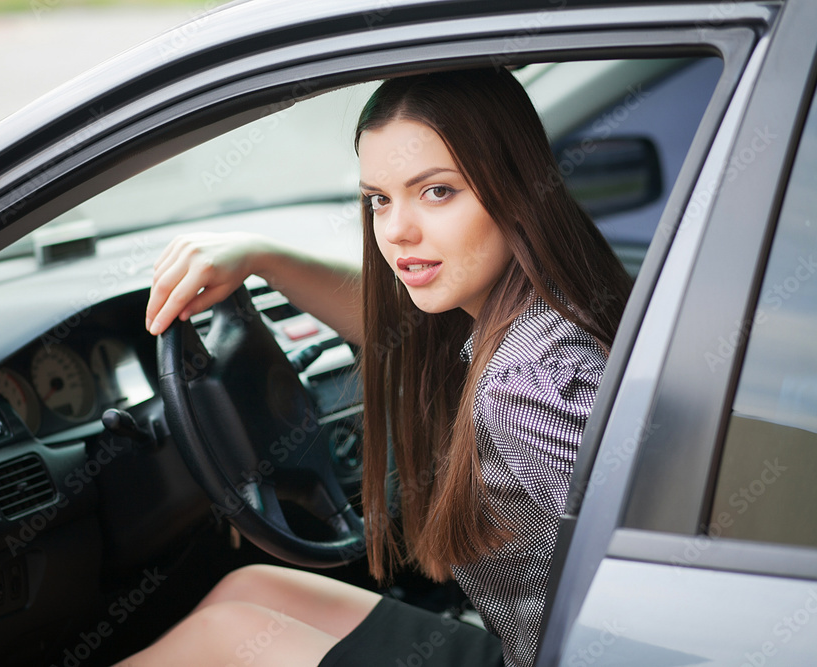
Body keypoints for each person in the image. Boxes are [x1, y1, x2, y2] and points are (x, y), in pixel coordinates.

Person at [131, 67, 632, 667]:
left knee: (227, 636)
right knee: (250, 589)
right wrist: (260, 255)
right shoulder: (541, 302)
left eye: (437, 191)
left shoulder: (528, 381)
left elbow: (626, 601)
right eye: (378, 199)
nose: (397, 231)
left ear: (515, 186)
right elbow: (405, 336)